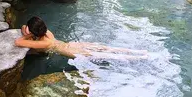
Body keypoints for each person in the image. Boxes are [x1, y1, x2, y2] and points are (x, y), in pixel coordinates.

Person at [14, 16, 148, 59]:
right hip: (73, 44)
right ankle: (138, 52)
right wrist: (30, 31)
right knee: (104, 48)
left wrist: (29, 34)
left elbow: (18, 42)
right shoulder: (47, 33)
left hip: (71, 51)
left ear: (34, 32)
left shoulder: (44, 43)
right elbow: (24, 26)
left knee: (103, 55)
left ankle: (134, 57)